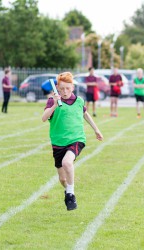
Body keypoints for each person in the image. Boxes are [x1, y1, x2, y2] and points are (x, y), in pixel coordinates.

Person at [42, 72, 103, 211]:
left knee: (67, 162)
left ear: (73, 87)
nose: (65, 91)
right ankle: (68, 189)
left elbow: (85, 113)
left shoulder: (79, 100)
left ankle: (71, 194)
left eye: (68, 88)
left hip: (76, 139)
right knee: (62, 179)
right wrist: (54, 106)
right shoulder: (53, 101)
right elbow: (44, 118)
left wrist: (96, 129)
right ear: (57, 87)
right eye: (62, 88)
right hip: (58, 143)